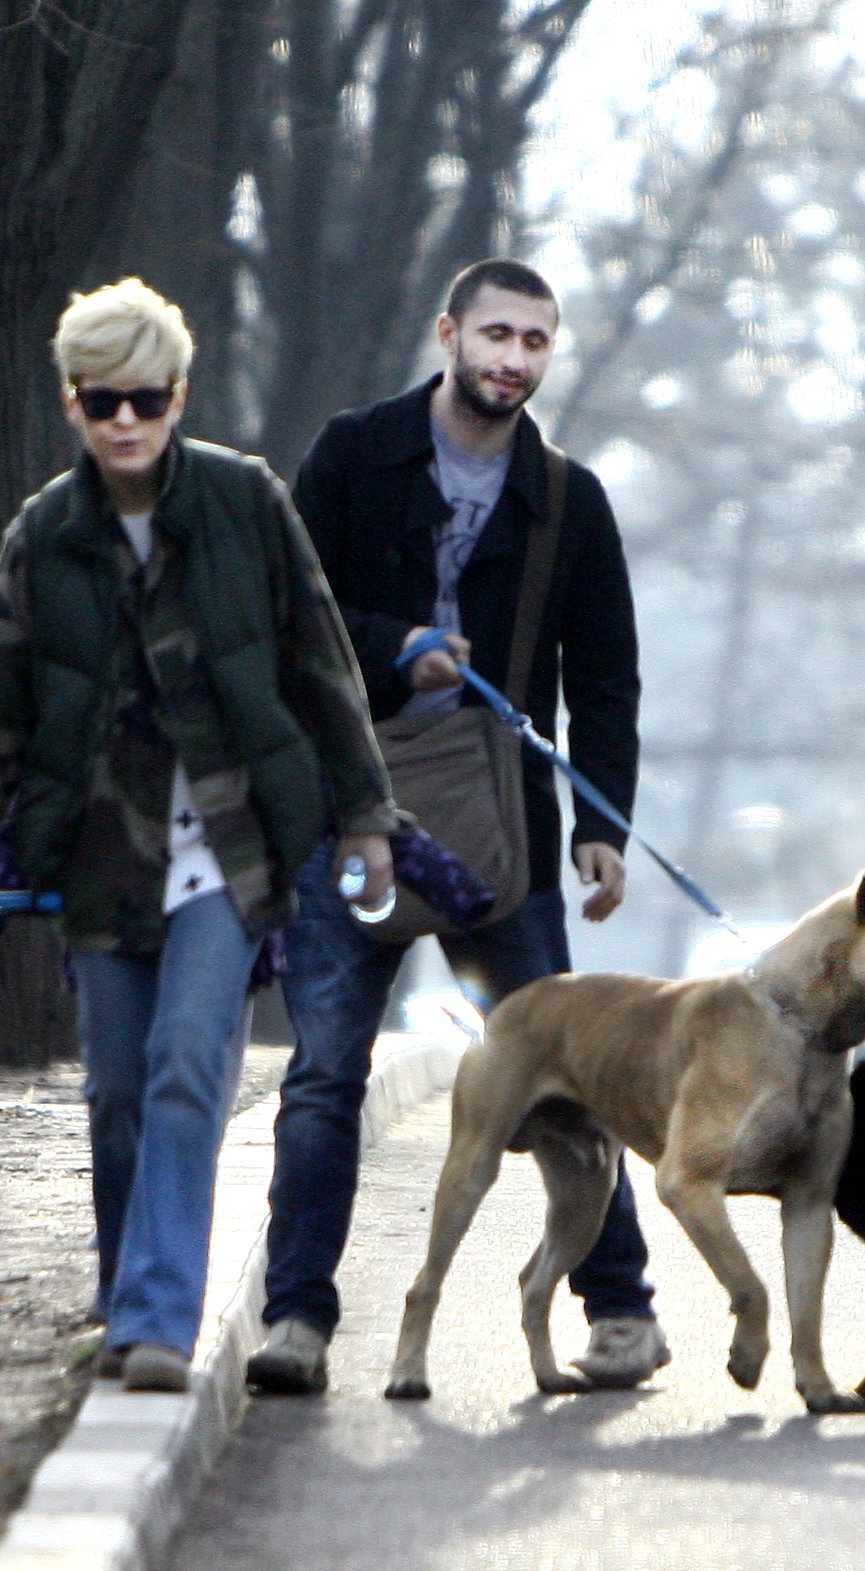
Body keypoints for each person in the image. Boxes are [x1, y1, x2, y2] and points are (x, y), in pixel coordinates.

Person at [0, 279, 396, 1393]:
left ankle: (159, 1321)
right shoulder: (46, 535)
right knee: (117, 1091)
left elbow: (322, 663)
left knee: (185, 1069)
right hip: (98, 855)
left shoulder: (244, 502)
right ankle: (129, 1289)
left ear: (178, 397)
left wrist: (365, 816)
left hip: (230, 848)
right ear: (73, 406)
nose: (126, 420)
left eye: (148, 398)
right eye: (102, 399)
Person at [243, 259, 661, 1396]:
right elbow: (286, 607)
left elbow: (608, 675)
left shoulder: (570, 499)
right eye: (496, 334)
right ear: (449, 333)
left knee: (572, 1078)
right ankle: (297, 1321)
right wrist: (396, 645)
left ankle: (623, 1310)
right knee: (326, 1074)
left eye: (534, 341)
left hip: (503, 834)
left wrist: (600, 822)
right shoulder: (349, 452)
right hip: (350, 807)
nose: (513, 359)